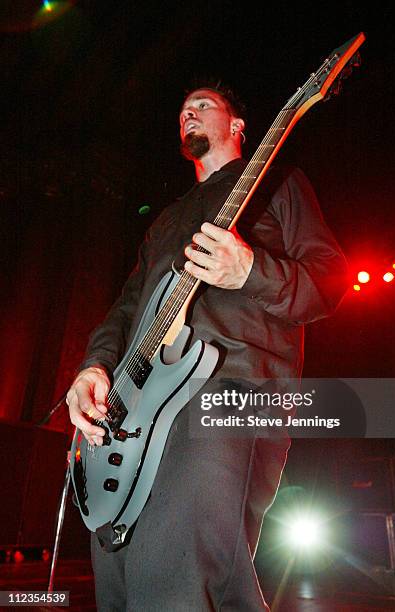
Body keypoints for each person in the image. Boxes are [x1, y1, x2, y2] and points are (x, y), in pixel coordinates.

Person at [67, 81, 348, 611]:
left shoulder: (279, 184)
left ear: (238, 126)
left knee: (177, 575)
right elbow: (126, 309)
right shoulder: (166, 222)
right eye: (180, 110)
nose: (187, 114)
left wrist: (250, 271)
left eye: (202, 105)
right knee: (120, 574)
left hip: (232, 389)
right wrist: (94, 366)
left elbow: (330, 282)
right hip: (141, 405)